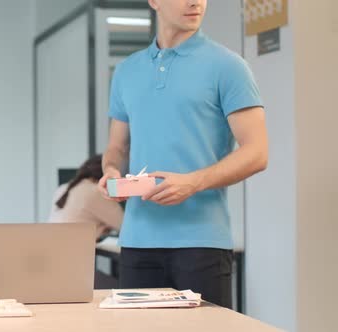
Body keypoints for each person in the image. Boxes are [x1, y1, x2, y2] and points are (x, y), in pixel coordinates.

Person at [98, 0, 268, 308]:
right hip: (137, 244)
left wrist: (194, 182)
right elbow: (116, 146)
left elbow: (257, 152)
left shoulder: (229, 66)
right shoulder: (126, 72)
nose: (195, 2)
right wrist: (111, 171)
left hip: (202, 244)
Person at [49, 155, 123, 240]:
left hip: (54, 244)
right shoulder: (98, 192)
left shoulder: (63, 187)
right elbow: (123, 225)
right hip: (75, 248)